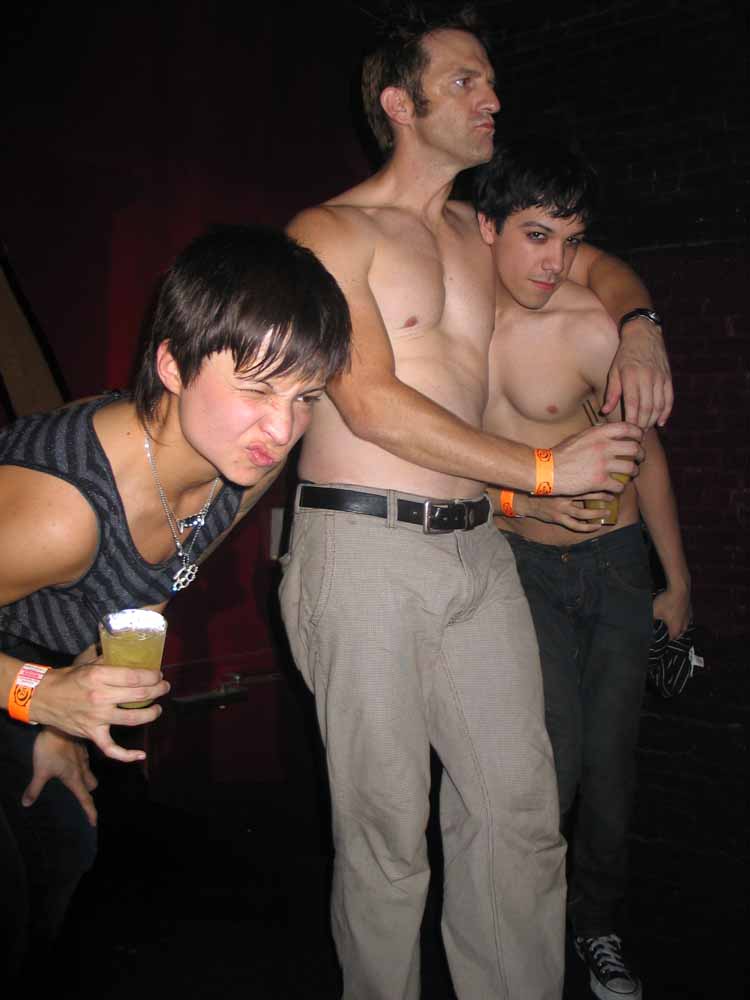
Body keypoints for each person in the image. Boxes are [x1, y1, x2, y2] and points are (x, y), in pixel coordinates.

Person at [281, 8, 673, 999]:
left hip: (477, 551)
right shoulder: (329, 232)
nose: (492, 96)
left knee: (520, 813)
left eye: (491, 80)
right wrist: (539, 472)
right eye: (465, 81)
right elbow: (370, 401)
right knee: (386, 831)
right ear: (399, 103)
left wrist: (639, 325)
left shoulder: (475, 230)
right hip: (363, 545)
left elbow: (589, 264)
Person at [0, 223, 351, 975]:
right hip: (16, 662)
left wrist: (68, 716)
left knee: (66, 851)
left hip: (47, 662)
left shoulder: (244, 467)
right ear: (171, 364)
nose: (282, 428)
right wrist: (41, 698)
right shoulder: (63, 512)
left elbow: (155, 586)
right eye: (256, 388)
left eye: (306, 396)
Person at [475, 135, 692, 1000]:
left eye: (570, 243)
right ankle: (525, 928)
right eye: (537, 236)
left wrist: (677, 579)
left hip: (610, 567)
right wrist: (514, 506)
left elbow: (648, 455)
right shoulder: (451, 324)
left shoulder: (585, 324)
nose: (555, 263)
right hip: (516, 568)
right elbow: (432, 456)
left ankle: (597, 925)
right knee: (546, 761)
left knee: (608, 765)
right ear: (487, 227)